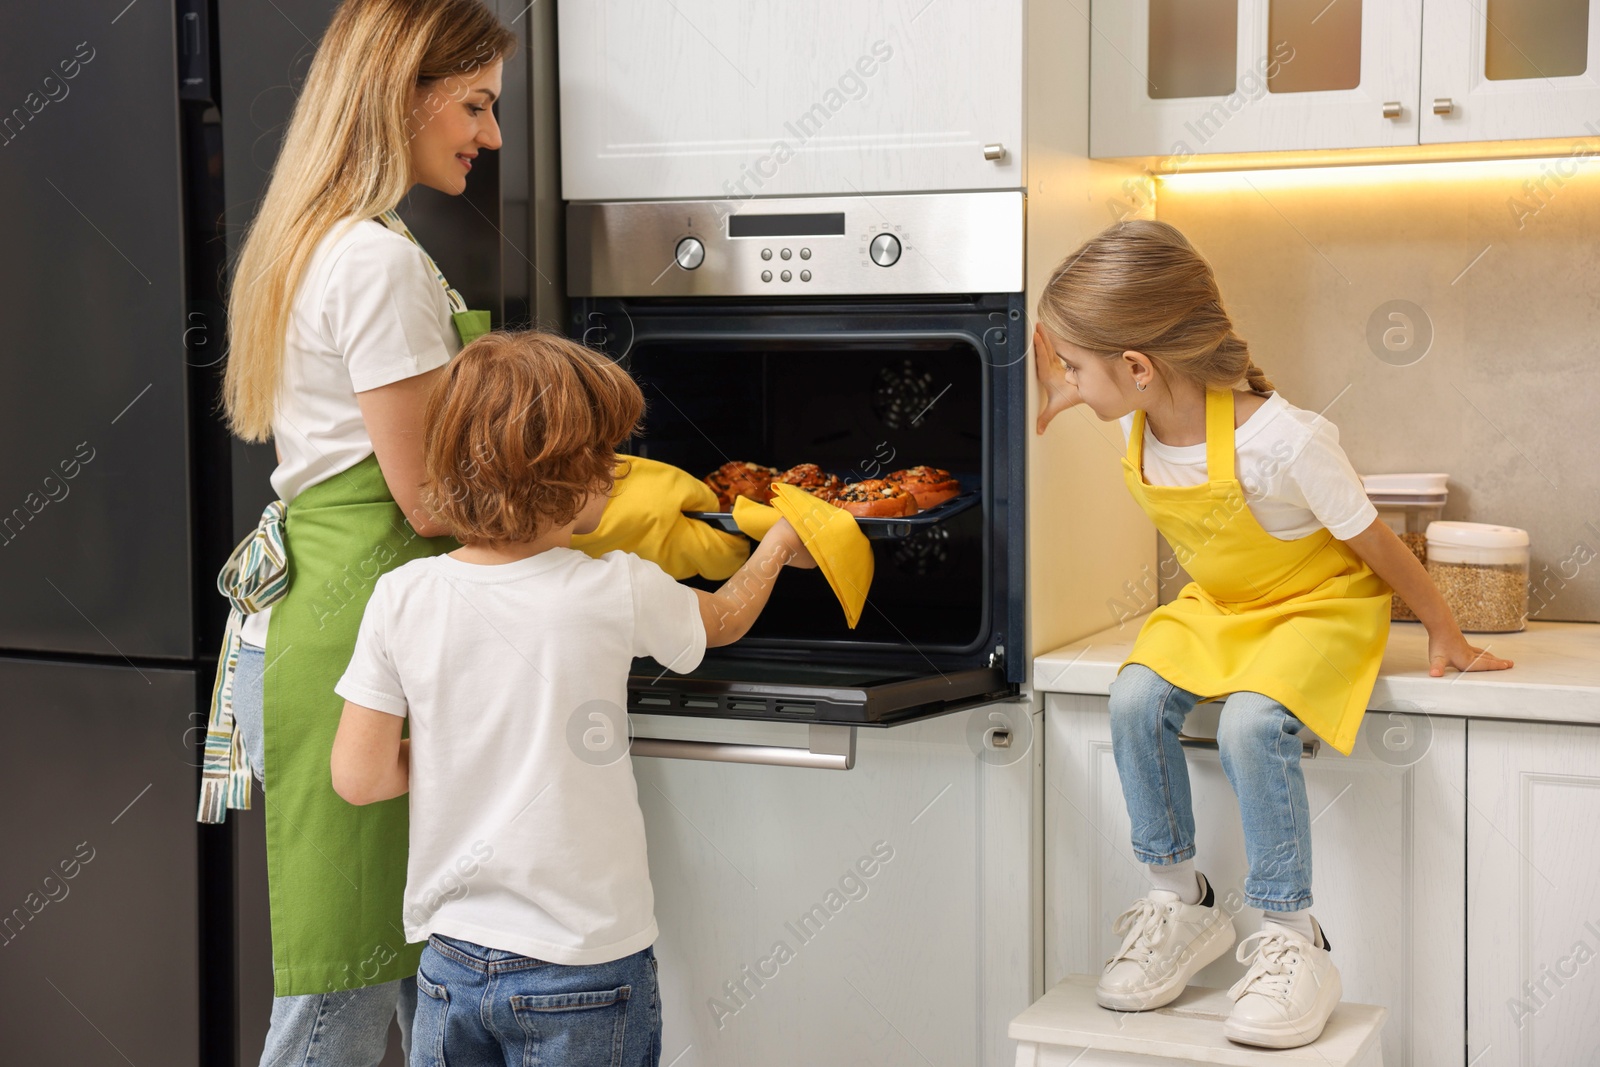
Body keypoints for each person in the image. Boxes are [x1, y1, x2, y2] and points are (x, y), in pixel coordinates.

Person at [1032, 220, 1512, 1048]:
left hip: (1318, 606)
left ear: (1139, 368)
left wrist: (1446, 632)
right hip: (1224, 605)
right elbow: (1115, 394)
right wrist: (1077, 390)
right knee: (1135, 695)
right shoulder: (1134, 417)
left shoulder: (1287, 442)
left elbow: (1379, 543)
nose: (1068, 381)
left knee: (1256, 723)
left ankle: (1296, 939)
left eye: (1075, 367)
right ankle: (1184, 901)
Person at [328, 331, 814, 1066]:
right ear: (566, 477)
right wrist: (780, 544)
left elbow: (358, 777)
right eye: (605, 459)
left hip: (451, 967)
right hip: (583, 965)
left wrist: (462, 748)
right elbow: (723, 619)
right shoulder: (614, 585)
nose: (617, 473)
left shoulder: (402, 595)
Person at [207, 0, 514, 1060]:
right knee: (341, 989)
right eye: (475, 103)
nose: (491, 134)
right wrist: (592, 505)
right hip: (353, 641)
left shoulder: (328, 241)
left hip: (324, 620)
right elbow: (429, 498)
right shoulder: (379, 263)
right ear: (404, 93)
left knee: (390, 975)